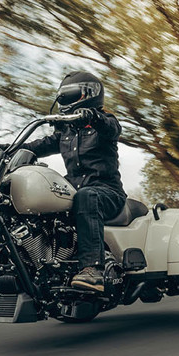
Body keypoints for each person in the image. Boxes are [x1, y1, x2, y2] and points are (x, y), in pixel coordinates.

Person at [23, 70, 126, 292]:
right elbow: (38, 146)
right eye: (63, 96)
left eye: (71, 95)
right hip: (75, 194)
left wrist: (93, 117)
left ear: (89, 94)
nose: (65, 100)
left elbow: (112, 129)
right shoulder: (66, 132)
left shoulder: (105, 122)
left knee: (86, 195)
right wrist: (3, 148)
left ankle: (93, 270)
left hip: (106, 192)